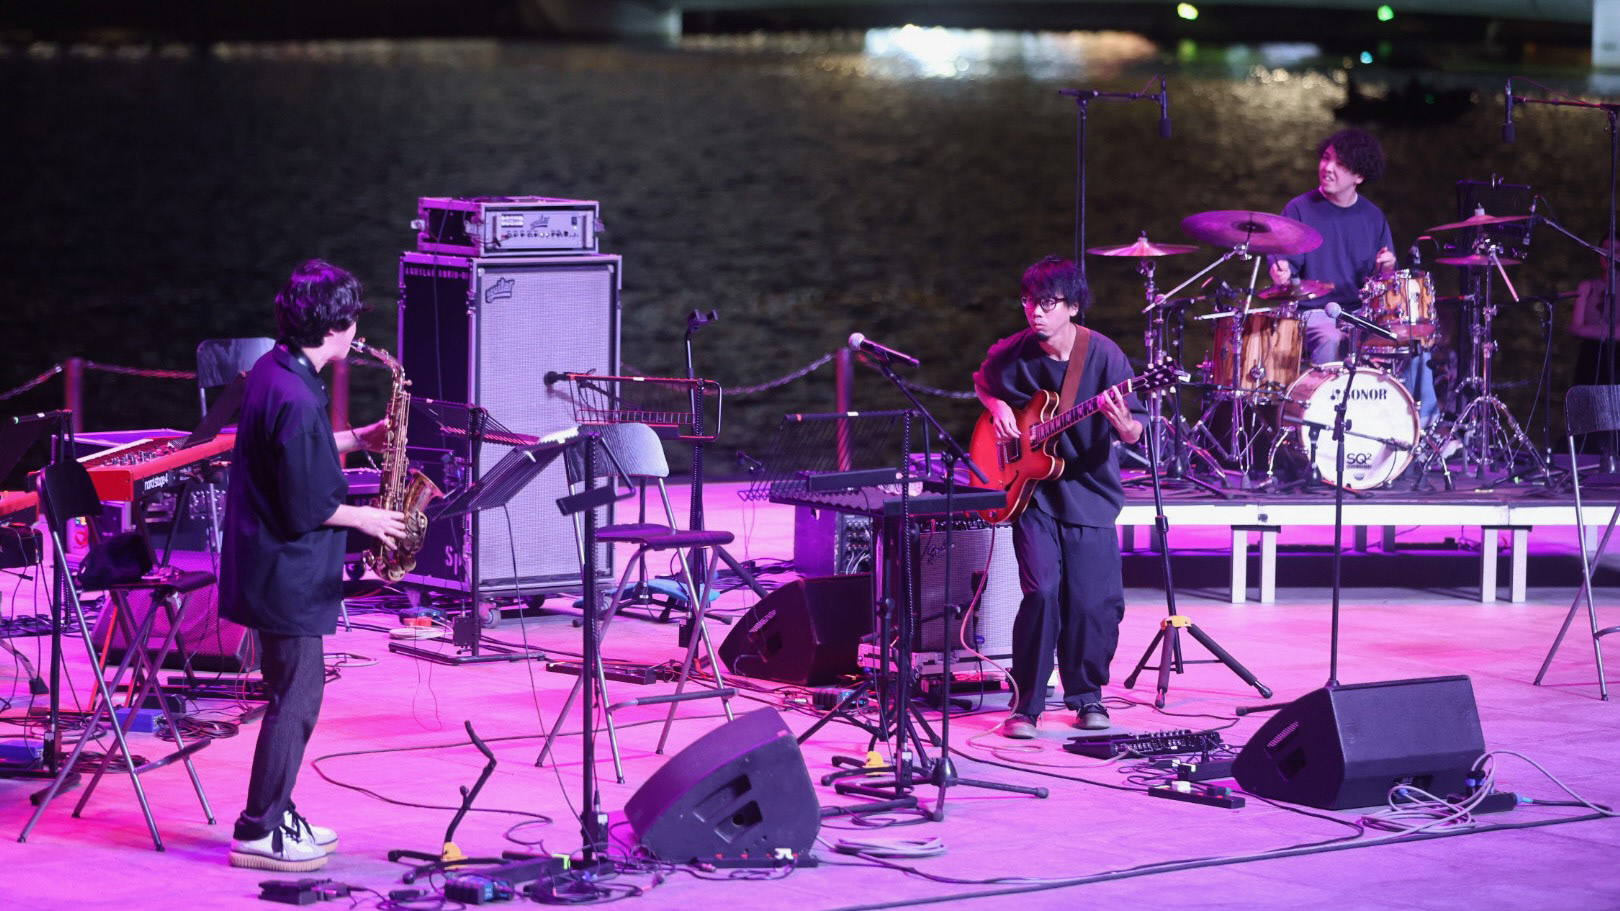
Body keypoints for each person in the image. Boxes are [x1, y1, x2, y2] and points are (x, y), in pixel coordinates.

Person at [220, 260, 407, 872]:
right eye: (353, 322)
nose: (357, 333)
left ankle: (279, 811)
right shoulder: (299, 396)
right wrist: (370, 519)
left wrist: (358, 438)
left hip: (269, 563)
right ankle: (259, 829)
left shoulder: (275, 369)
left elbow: (287, 452)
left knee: (292, 694)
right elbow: (309, 506)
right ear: (335, 328)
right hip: (287, 572)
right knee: (296, 700)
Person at [973, 256, 1145, 739]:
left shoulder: (1104, 355)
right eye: (1029, 301)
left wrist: (1124, 427)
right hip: (1032, 496)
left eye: (1047, 303)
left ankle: (1086, 696)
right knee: (1042, 592)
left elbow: (1134, 430)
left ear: (1072, 306)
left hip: (1090, 492)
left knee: (1092, 603)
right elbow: (982, 382)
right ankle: (1026, 705)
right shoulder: (1015, 351)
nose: (1036, 311)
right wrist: (999, 408)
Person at [1269, 129, 1437, 424]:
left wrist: (1387, 269)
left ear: (1358, 175)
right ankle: (1323, 426)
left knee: (1414, 346)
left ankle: (1422, 430)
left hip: (1361, 315)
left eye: (1340, 164)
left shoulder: (1373, 217)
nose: (1327, 168)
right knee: (1331, 339)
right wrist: (1280, 272)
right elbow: (1285, 272)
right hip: (1315, 313)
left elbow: (1385, 287)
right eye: (1325, 158)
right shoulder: (1299, 210)